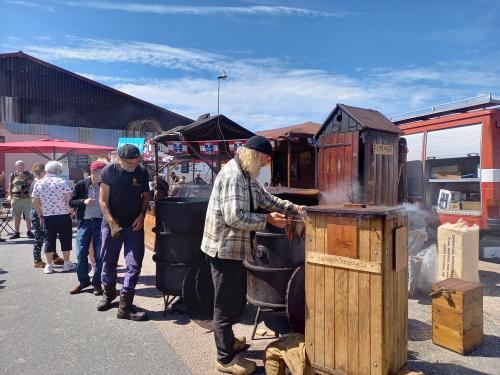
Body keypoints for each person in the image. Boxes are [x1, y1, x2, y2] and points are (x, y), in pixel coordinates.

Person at [201, 135, 303, 375]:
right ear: (254, 156)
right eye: (265, 160)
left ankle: (227, 340)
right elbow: (234, 217)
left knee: (235, 299)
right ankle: (225, 359)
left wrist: (295, 208)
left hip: (235, 251)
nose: (266, 165)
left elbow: (267, 199)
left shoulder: (246, 176)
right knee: (224, 304)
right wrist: (266, 219)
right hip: (222, 250)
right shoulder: (234, 176)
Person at [97, 144, 150, 321]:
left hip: (134, 225)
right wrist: (112, 223)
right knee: (108, 261)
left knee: (134, 265)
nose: (134, 165)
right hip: (112, 223)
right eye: (129, 163)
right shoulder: (108, 172)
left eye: (136, 162)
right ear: (119, 159)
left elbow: (145, 196)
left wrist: (142, 216)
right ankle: (109, 293)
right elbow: (103, 201)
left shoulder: (141, 172)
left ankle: (125, 307)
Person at [69, 160, 108, 296]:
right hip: (84, 223)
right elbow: (71, 201)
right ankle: (83, 281)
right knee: (80, 254)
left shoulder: (106, 185)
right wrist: (83, 201)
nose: (105, 176)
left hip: (100, 223)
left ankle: (97, 283)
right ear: (93, 172)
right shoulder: (81, 185)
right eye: (102, 173)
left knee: (99, 255)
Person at [32, 161, 76, 274]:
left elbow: (35, 201)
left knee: (49, 240)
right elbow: (69, 200)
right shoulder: (62, 182)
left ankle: (49, 265)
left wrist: (40, 215)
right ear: (58, 171)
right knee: (65, 239)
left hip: (47, 216)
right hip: (63, 215)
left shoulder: (39, 183)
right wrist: (71, 213)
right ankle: (66, 263)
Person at [29, 163, 65, 267]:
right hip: (38, 213)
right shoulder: (36, 183)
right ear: (42, 172)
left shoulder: (40, 182)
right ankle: (37, 260)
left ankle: (54, 256)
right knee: (39, 236)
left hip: (45, 212)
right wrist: (41, 215)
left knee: (49, 235)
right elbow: (34, 201)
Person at [8, 160, 34, 239]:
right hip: (16, 198)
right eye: (19, 165)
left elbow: (33, 184)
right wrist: (10, 196)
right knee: (16, 217)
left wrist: (25, 179)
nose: (21, 166)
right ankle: (17, 232)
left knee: (28, 216)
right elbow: (10, 186)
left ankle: (29, 231)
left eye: (22, 165)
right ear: (16, 166)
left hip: (27, 198)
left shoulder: (29, 174)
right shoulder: (12, 174)